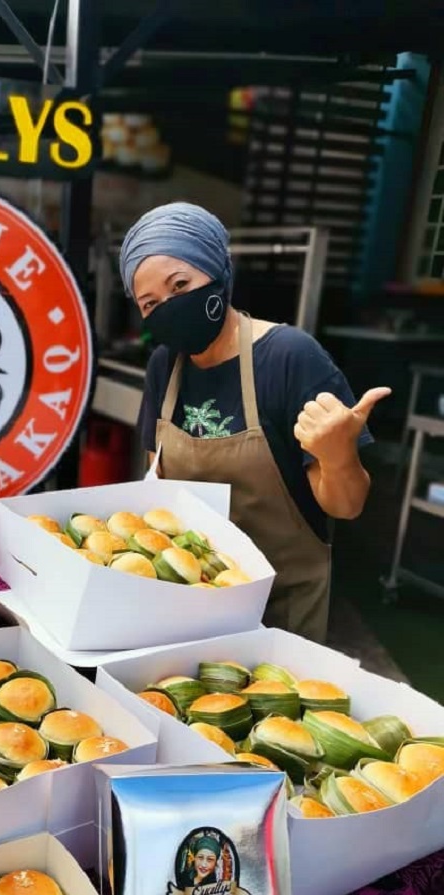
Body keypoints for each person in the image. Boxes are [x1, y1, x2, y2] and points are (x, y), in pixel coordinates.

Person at [119, 202, 390, 642]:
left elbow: (347, 505)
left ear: (218, 273)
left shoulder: (289, 356)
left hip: (278, 615)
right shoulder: (164, 366)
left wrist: (339, 456)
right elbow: (160, 487)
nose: (169, 307)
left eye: (181, 285)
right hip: (187, 608)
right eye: (151, 303)